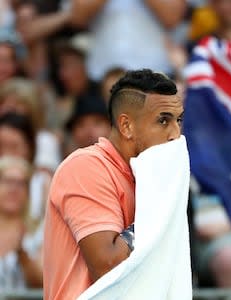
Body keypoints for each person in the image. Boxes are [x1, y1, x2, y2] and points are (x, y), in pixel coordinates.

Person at [43, 69, 184, 299]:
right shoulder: (86, 167)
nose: (175, 135)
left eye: (178, 120)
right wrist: (159, 211)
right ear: (126, 126)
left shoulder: (151, 177)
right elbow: (107, 266)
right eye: (163, 120)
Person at [0, 156, 43, 290]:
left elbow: (42, 282)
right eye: (8, 181)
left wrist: (21, 253)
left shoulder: (39, 231)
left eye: (21, 183)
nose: (14, 189)